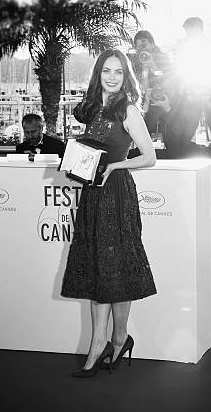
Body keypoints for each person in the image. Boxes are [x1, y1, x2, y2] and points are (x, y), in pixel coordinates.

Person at [60, 49, 157, 378]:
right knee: (98, 270)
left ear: (125, 75)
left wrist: (116, 163)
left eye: (118, 72)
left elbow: (149, 157)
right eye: (106, 71)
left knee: (116, 270)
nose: (112, 77)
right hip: (92, 194)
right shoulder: (90, 109)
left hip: (116, 196)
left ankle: (115, 339)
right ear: (98, 74)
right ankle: (102, 341)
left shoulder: (126, 108)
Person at [169, 16, 211, 251]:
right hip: (190, 149)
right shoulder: (183, 91)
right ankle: (192, 239)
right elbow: (173, 120)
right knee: (191, 197)